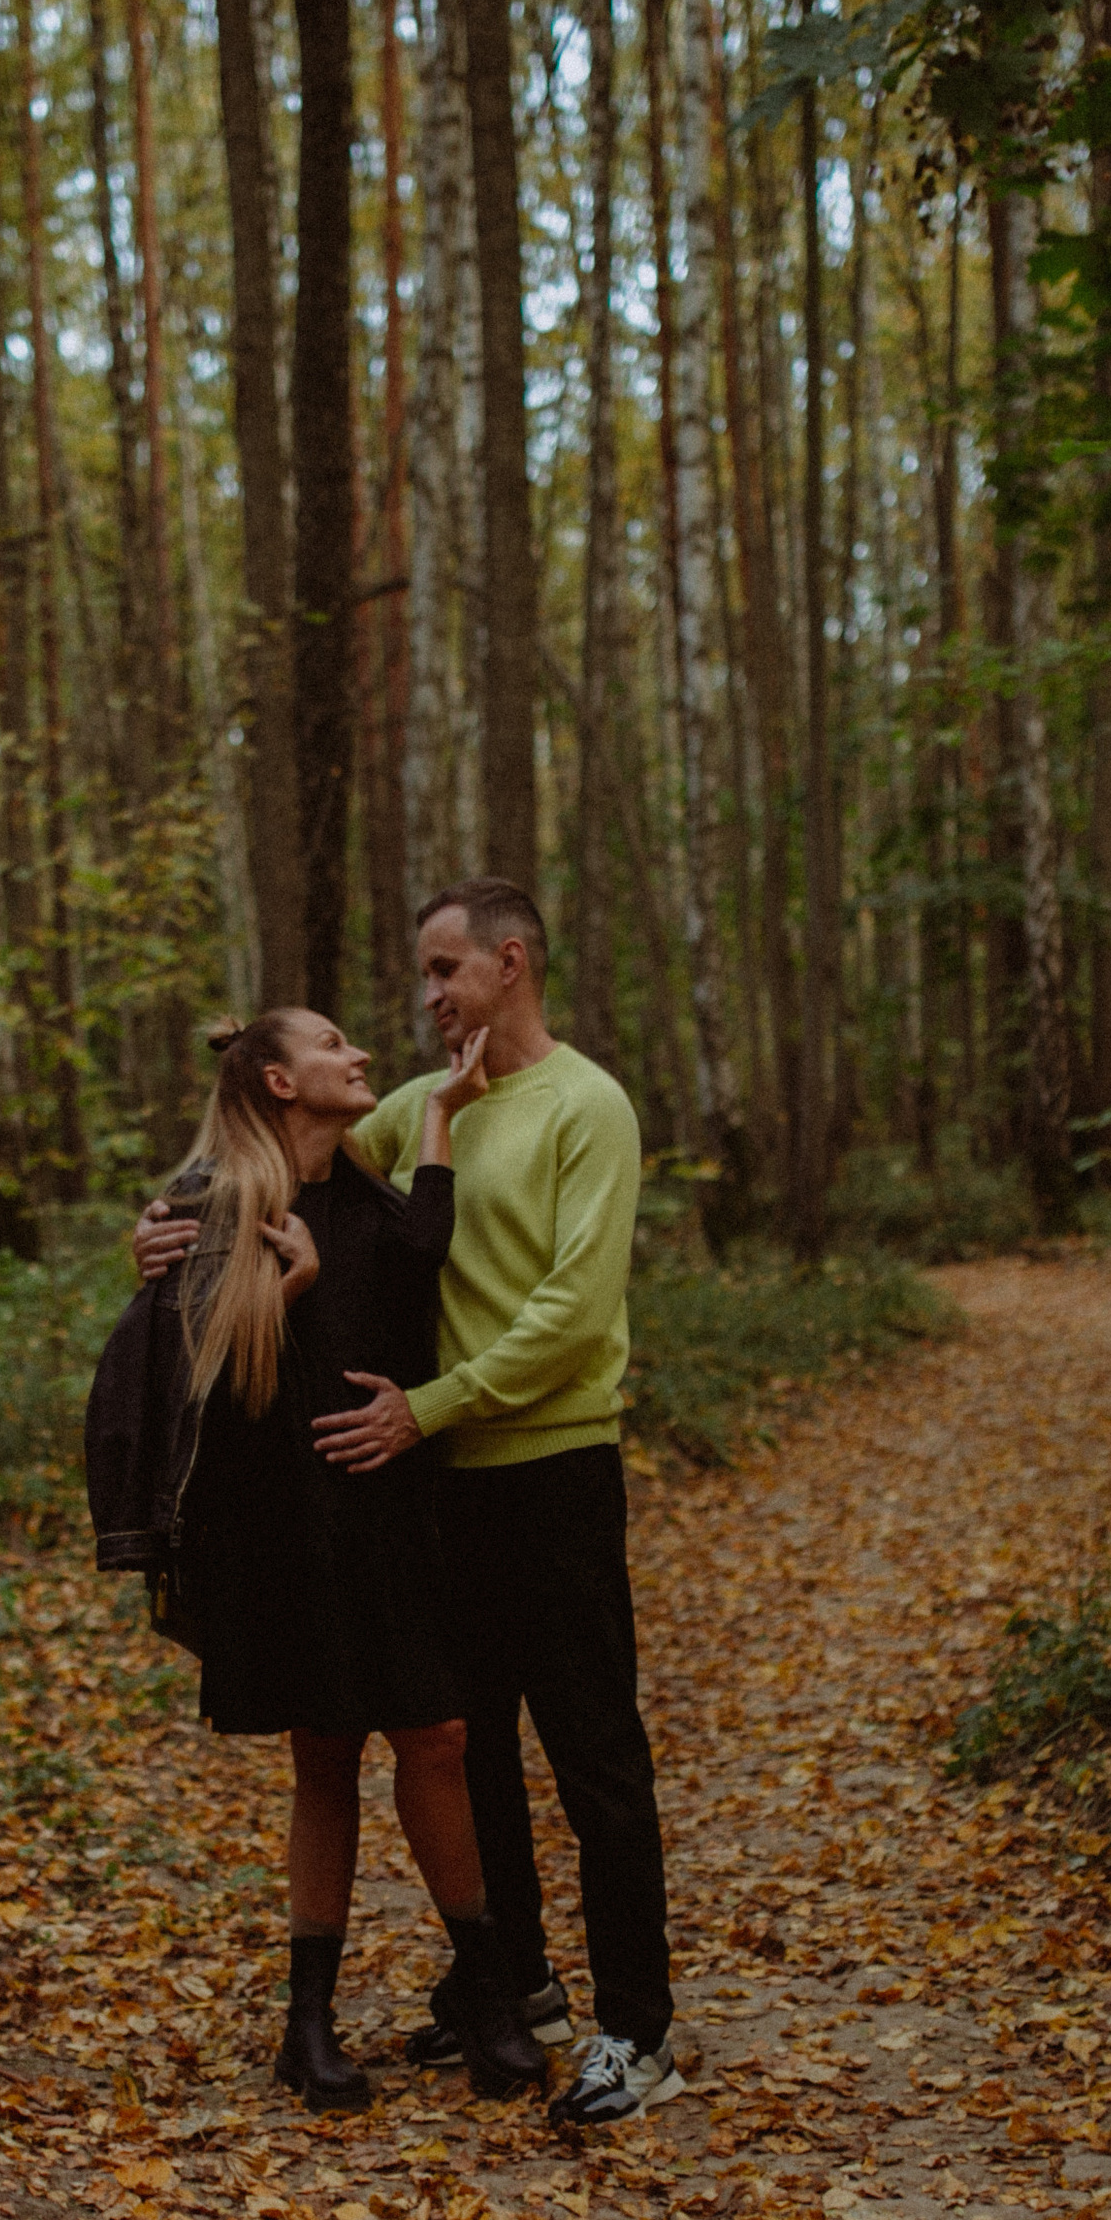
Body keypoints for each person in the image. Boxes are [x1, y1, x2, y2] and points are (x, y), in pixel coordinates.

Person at [136, 885, 679, 2129]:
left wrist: (428, 1405)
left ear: (510, 961)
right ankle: (519, 1982)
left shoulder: (585, 1107)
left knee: (593, 1753)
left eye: (447, 972)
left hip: (547, 1464)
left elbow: (574, 1312)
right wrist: (165, 1226)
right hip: (441, 1484)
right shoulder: (420, 1112)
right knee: (465, 1743)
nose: (428, 999)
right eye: (422, 976)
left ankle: (636, 2031)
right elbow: (267, 1150)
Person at [88, 1009, 545, 2117]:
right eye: (332, 1044)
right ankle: (309, 2023)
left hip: (387, 1512)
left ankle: (489, 1993)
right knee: (325, 1754)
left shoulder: (365, 1188)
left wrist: (439, 1112)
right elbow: (179, 1375)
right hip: (280, 1522)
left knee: (436, 1734)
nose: (358, 1055)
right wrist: (279, 1292)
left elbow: (423, 1252)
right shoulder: (211, 1205)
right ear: (282, 1082)